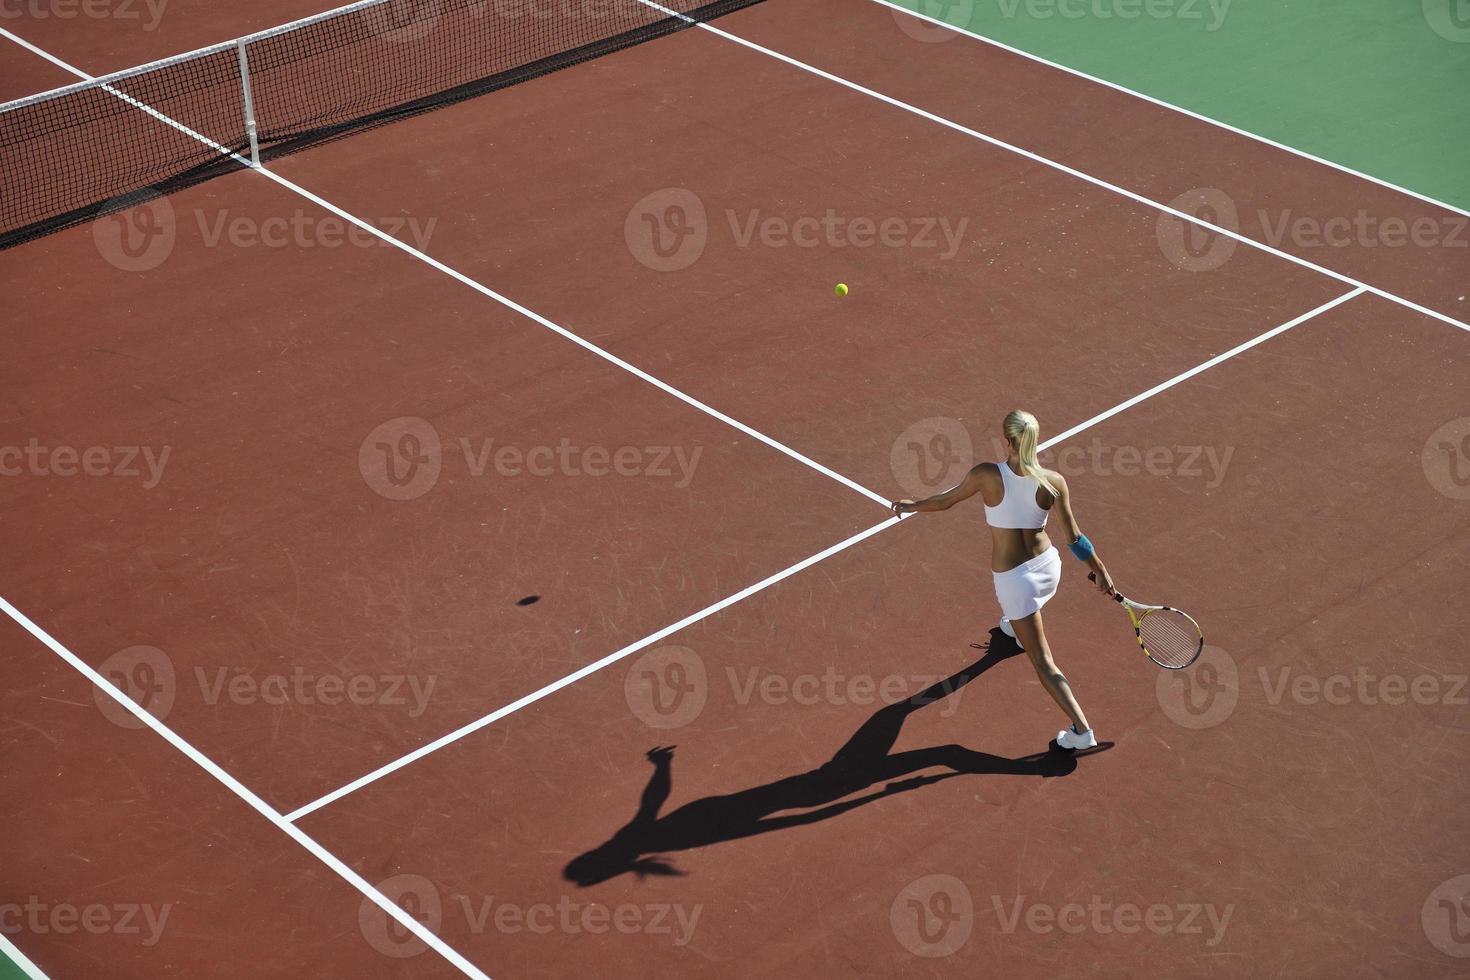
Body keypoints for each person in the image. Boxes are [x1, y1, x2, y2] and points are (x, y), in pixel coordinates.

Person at [892, 410, 1113, 750]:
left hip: (1016, 583)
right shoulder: (1054, 481)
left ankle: (1082, 732)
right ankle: (1014, 626)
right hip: (1048, 568)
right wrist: (1100, 569)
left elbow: (945, 501)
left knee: (1042, 660)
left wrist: (911, 505)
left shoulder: (986, 475)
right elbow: (1075, 538)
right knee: (1022, 615)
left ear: (1007, 441)